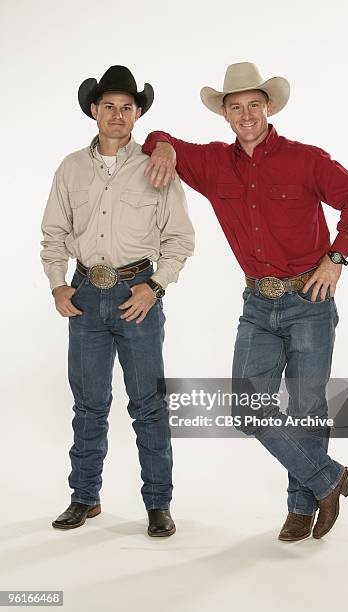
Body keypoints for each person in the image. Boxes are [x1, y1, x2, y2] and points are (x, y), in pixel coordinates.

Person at [142, 62, 348, 541]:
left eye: (254, 104)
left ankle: (300, 508)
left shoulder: (307, 159)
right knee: (248, 410)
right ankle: (328, 478)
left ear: (268, 108)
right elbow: (156, 136)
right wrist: (162, 144)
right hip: (257, 304)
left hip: (310, 297)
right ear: (224, 114)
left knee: (307, 407)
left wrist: (336, 258)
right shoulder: (210, 163)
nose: (246, 114)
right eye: (235, 107)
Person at [40, 65, 194, 536]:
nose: (118, 114)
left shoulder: (157, 166)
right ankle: (84, 498)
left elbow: (180, 239)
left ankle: (158, 504)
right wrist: (57, 283)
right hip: (85, 297)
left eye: (127, 107)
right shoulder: (70, 167)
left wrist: (156, 286)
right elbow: (53, 234)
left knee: (148, 405)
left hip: (137, 297)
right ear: (94, 111)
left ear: (138, 113)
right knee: (88, 405)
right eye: (109, 106)